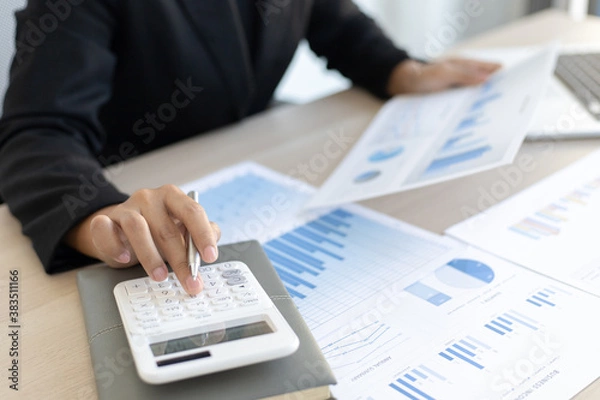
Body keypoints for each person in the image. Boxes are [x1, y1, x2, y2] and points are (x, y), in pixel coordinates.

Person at [0, 0, 500, 295]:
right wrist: (103, 217)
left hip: (248, 165)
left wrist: (400, 70)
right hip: (122, 187)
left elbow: (335, 21)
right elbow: (37, 134)